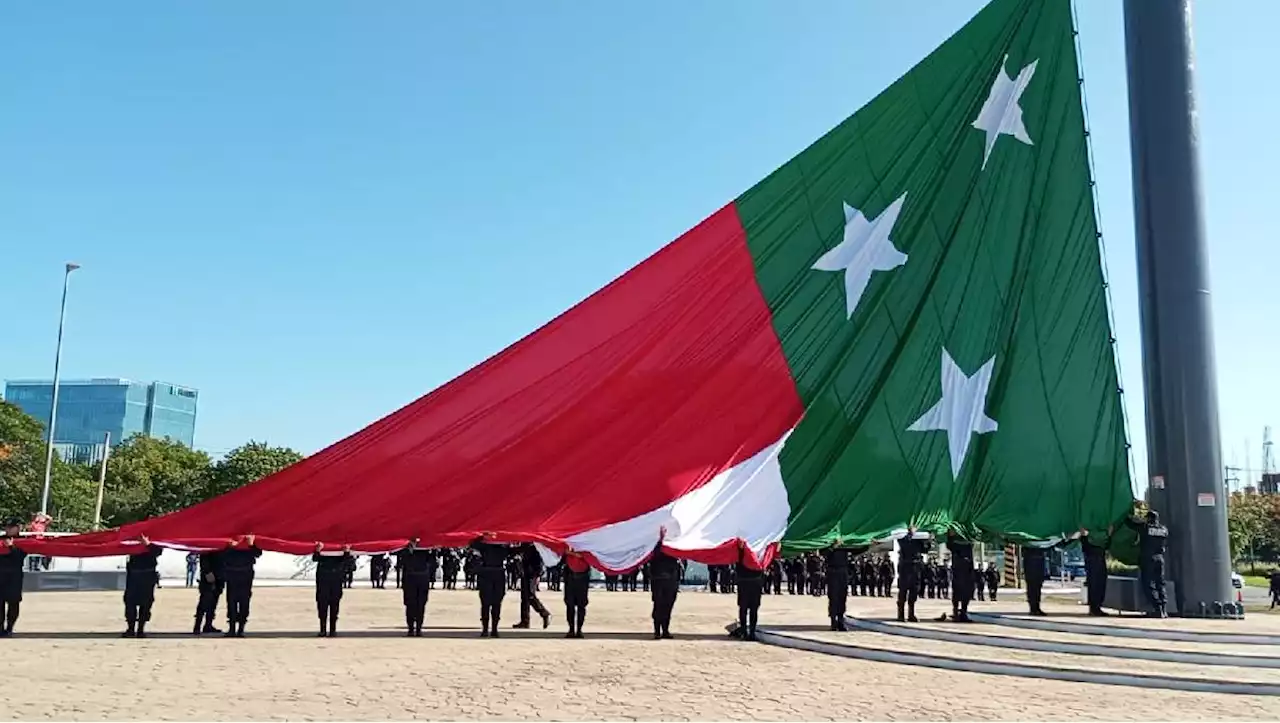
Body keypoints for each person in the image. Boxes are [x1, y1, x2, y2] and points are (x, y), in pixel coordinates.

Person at [1126, 508, 1169, 618]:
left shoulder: (1146, 527)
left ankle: (1157, 608)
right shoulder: (1164, 529)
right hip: (1160, 558)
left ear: (1148, 518)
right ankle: (1164, 609)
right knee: (1160, 583)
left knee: (1148, 584)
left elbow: (1130, 524)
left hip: (1148, 558)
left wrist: (1127, 515)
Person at [221, 535, 262, 637]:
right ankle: (232, 628)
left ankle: (241, 629)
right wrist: (230, 547)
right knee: (231, 602)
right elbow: (222, 555)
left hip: (245, 575)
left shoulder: (251, 538)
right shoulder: (230, 538)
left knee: (244, 602)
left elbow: (258, 553)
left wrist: (251, 545)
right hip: (232, 574)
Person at [122, 538, 163, 637]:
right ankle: (131, 629)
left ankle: (140, 629)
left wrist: (148, 544)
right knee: (130, 602)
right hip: (134, 575)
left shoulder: (154, 539)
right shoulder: (132, 538)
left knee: (146, 603)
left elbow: (158, 552)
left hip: (147, 576)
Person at [470, 534, 508, 637]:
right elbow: (472, 543)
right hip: (494, 574)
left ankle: (488, 629)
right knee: (492, 603)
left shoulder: (487, 546)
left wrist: (483, 536)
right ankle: (491, 629)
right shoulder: (500, 547)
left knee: (490, 603)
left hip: (488, 574)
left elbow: (472, 543)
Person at [313, 542, 351, 637]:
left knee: (334, 608)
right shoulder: (323, 553)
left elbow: (348, 562)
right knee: (322, 608)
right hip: (323, 583)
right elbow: (315, 558)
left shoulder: (340, 555)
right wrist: (318, 550)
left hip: (335, 582)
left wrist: (346, 552)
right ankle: (323, 630)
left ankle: (332, 630)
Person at [397, 539, 434, 636]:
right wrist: (409, 550)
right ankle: (410, 628)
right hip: (410, 579)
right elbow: (401, 562)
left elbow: (432, 561)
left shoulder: (426, 549)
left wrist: (432, 547)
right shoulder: (405, 549)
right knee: (410, 605)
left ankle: (418, 628)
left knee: (421, 605)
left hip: (422, 579)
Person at [0, 518, 28, 636]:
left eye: (11, 527)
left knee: (13, 603)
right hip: (0, 575)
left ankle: (10, 627)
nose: (8, 529)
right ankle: (0, 629)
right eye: (7, 527)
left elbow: (21, 556)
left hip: (14, 576)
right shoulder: (1, 539)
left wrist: (12, 547)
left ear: (18, 527)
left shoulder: (23, 541)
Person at [514, 543, 551, 629]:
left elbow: (539, 562)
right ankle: (525, 621)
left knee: (530, 595)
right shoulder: (526, 545)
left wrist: (538, 574)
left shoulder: (535, 547)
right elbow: (517, 551)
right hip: (525, 573)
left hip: (532, 574)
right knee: (524, 597)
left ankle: (544, 613)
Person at [648, 544, 680, 640]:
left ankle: (665, 630)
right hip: (659, 582)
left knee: (667, 607)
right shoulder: (655, 552)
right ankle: (657, 631)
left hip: (670, 583)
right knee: (659, 607)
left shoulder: (674, 553)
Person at [897, 533, 930, 623]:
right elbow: (902, 542)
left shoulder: (919, 537)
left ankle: (911, 614)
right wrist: (910, 534)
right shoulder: (903, 534)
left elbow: (925, 549)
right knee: (903, 590)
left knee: (914, 590)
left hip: (916, 566)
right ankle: (901, 614)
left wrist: (928, 540)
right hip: (905, 565)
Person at [1081, 526, 1112, 616]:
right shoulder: (1088, 538)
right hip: (1094, 555)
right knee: (1095, 580)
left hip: (1097, 555)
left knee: (1099, 580)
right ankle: (1094, 607)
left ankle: (1095, 607)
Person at [193, 550, 224, 635]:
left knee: (213, 603)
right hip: (208, 577)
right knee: (204, 602)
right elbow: (204, 559)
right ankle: (197, 626)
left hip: (219, 576)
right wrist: (207, 572)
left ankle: (208, 625)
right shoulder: (208, 547)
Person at [562, 547, 591, 638]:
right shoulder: (567, 544)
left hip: (582, 577)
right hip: (570, 576)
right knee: (570, 604)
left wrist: (570, 553)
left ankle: (579, 629)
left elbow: (584, 555)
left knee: (581, 605)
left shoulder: (586, 545)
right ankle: (571, 629)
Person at [946, 533, 974, 623]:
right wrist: (950, 535)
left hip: (967, 572)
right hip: (958, 571)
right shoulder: (955, 544)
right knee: (957, 593)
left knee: (967, 593)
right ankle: (956, 612)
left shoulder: (968, 544)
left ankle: (963, 612)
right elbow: (949, 545)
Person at [823, 545, 849, 631]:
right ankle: (833, 621)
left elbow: (857, 548)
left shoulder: (845, 544)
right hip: (832, 571)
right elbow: (823, 552)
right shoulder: (829, 542)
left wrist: (870, 544)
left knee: (842, 597)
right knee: (833, 597)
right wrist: (833, 547)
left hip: (843, 571)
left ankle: (841, 621)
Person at [1021, 545, 1047, 616]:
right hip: (1031, 570)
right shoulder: (1028, 548)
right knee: (1032, 589)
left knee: (1037, 589)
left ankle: (1036, 608)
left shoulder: (1040, 550)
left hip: (1037, 568)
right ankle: (1033, 609)